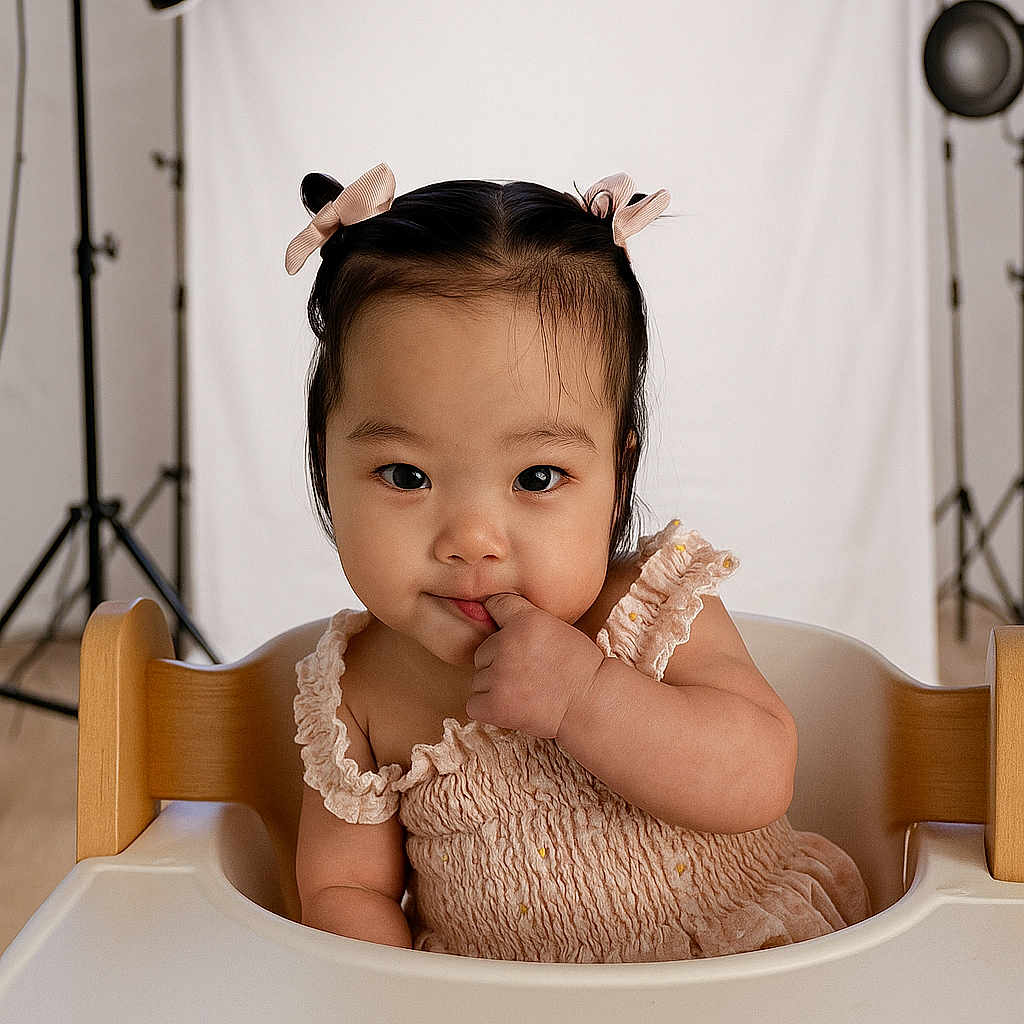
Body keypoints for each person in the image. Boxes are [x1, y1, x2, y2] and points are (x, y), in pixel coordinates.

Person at [288, 162, 871, 963]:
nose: (471, 540)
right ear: (325, 465)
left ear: (616, 478)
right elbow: (343, 888)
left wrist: (588, 697)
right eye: (406, 476)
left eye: (536, 478)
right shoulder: (360, 691)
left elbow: (760, 772)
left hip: (735, 985)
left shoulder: (651, 611)